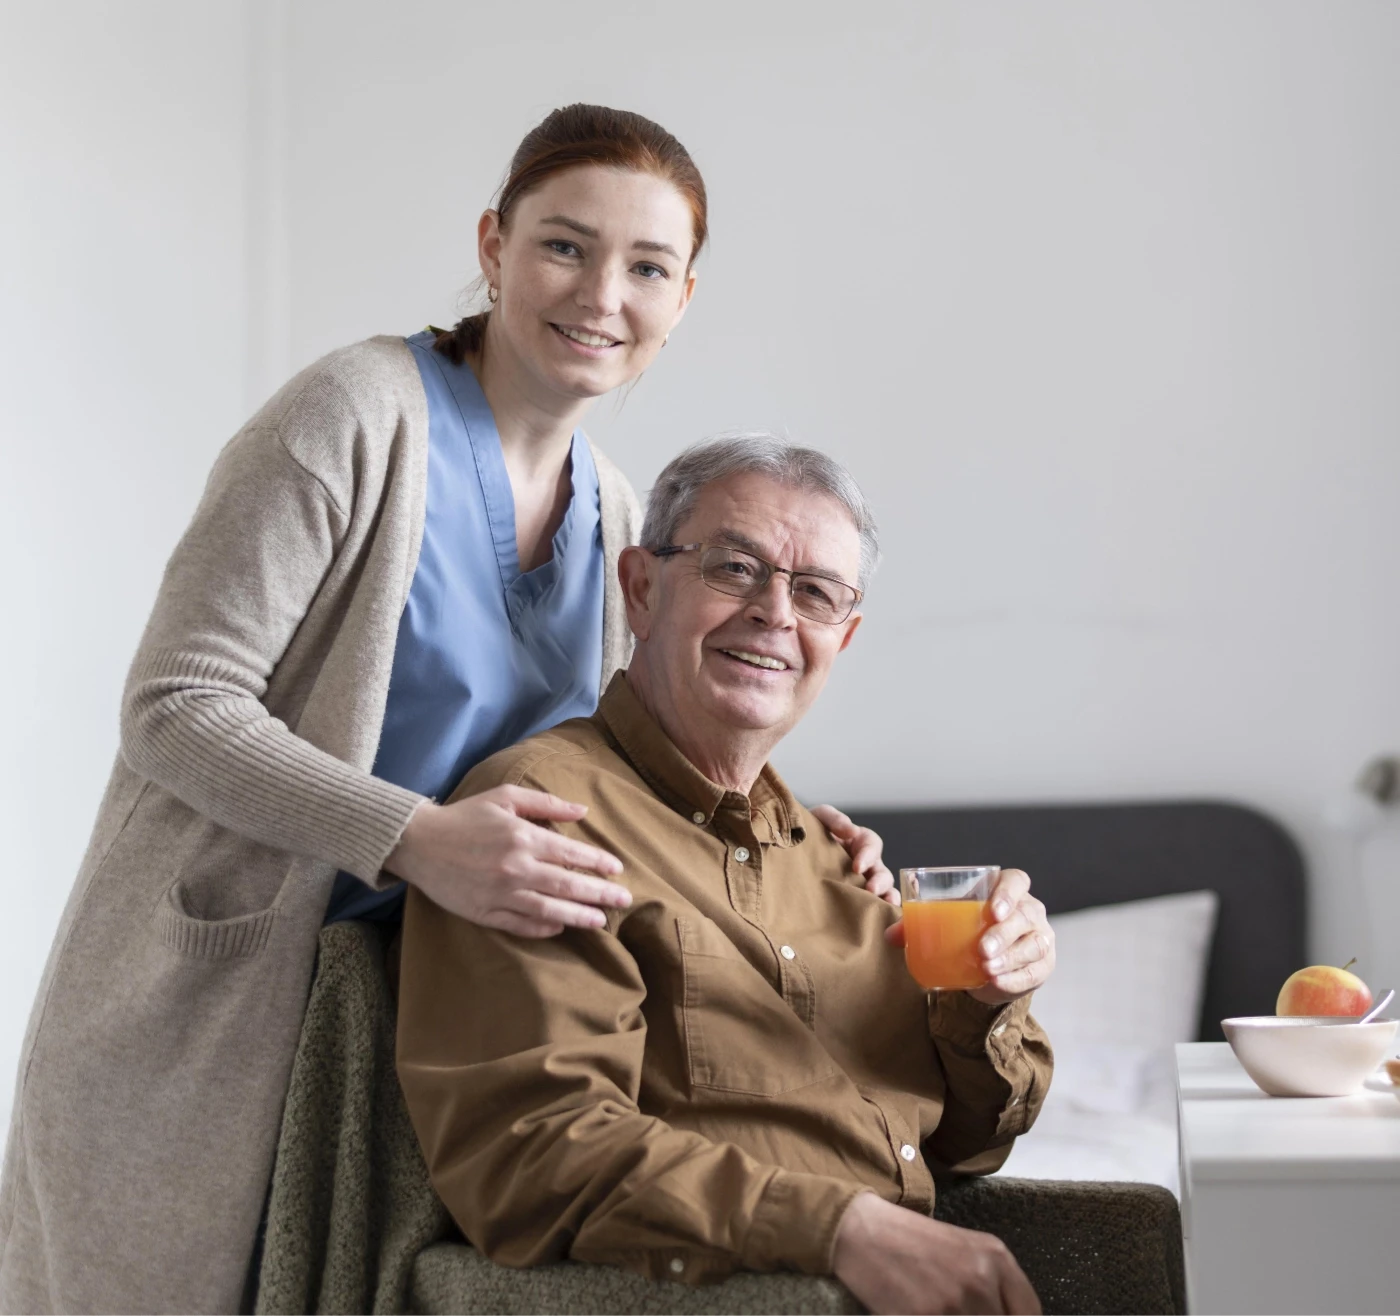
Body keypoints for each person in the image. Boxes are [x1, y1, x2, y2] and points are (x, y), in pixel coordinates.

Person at [0, 108, 891, 1316]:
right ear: (493, 246)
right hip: (215, 1017)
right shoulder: (353, 418)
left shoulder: (620, 518)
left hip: (414, 1033)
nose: (599, 295)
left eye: (643, 268)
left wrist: (796, 842)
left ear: (682, 299)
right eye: (563, 247)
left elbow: (643, 764)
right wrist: (416, 837)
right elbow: (172, 703)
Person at [397, 436, 1057, 1316]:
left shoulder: (837, 863)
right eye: (734, 567)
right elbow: (533, 1155)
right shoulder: (540, 815)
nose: (775, 613)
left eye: (816, 593)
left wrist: (984, 1002)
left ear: (841, 638)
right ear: (641, 588)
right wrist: (843, 1229)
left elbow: (960, 1148)